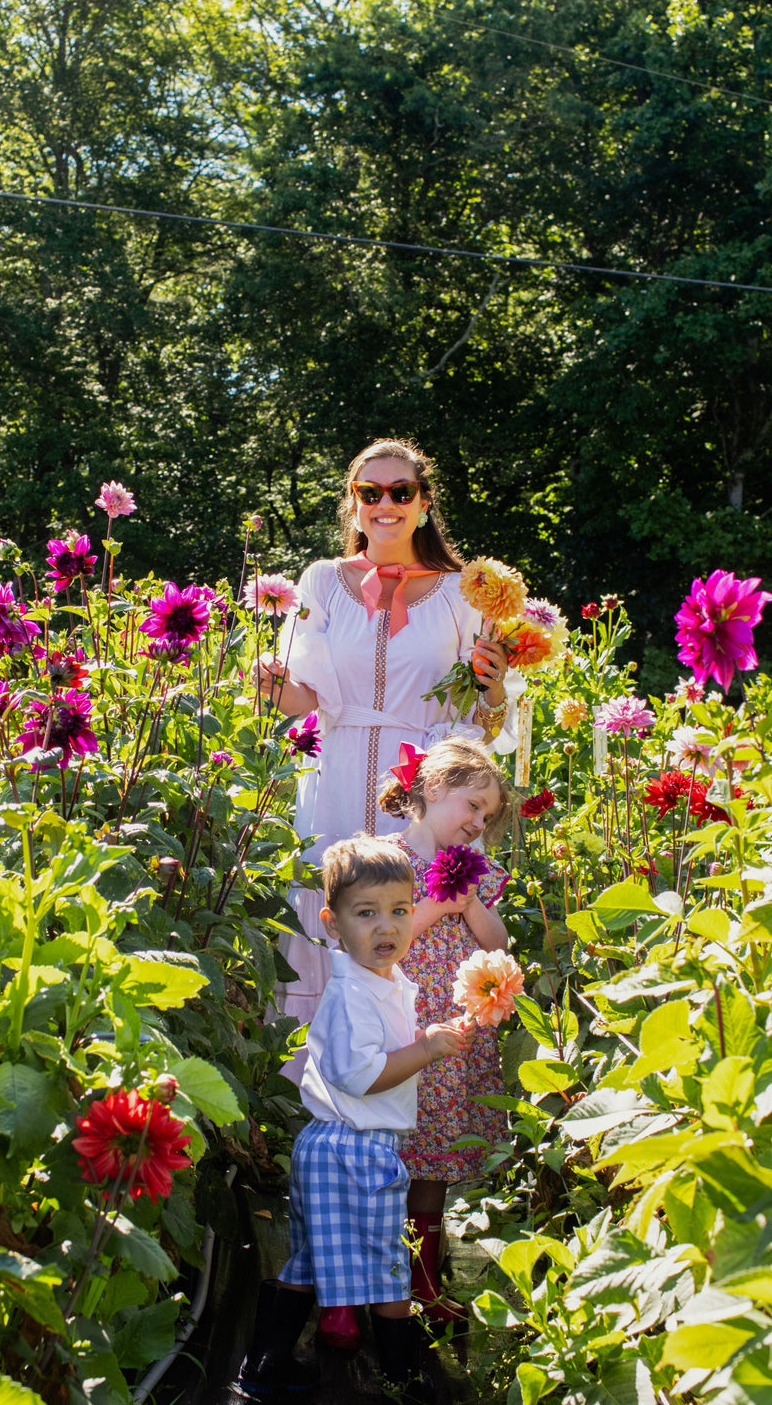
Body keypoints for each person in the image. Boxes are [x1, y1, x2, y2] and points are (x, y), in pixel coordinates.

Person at [257, 437, 520, 1063]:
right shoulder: (320, 580)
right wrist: (269, 683)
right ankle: (317, 1090)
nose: (385, 504)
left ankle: (431, 1100)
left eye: (400, 492)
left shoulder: (466, 593)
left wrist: (495, 687)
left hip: (429, 790)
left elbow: (481, 723)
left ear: (423, 503)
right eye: (369, 492)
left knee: (427, 923)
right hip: (339, 775)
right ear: (353, 504)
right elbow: (300, 700)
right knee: (333, 913)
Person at [236, 836, 471, 1404]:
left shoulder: (382, 983)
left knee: (317, 1256)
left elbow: (377, 1054)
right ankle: (403, 1370)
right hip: (353, 1146)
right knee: (389, 1261)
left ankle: (264, 1364)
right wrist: (427, 1050)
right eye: (366, 913)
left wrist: (419, 1039)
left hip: (343, 1145)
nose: (385, 927)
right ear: (332, 923)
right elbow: (361, 1075)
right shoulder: (350, 993)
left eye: (398, 911)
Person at [378, 736, 510, 1323]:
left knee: (434, 1164)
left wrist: (472, 903)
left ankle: (424, 1284)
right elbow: (385, 941)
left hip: (452, 1034)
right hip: (401, 1027)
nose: (479, 821)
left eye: (488, 815)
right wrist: (441, 900)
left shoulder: (482, 873)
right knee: (387, 1157)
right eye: (472, 806)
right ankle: (374, 1280)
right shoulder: (386, 861)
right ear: (433, 790)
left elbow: (498, 943)